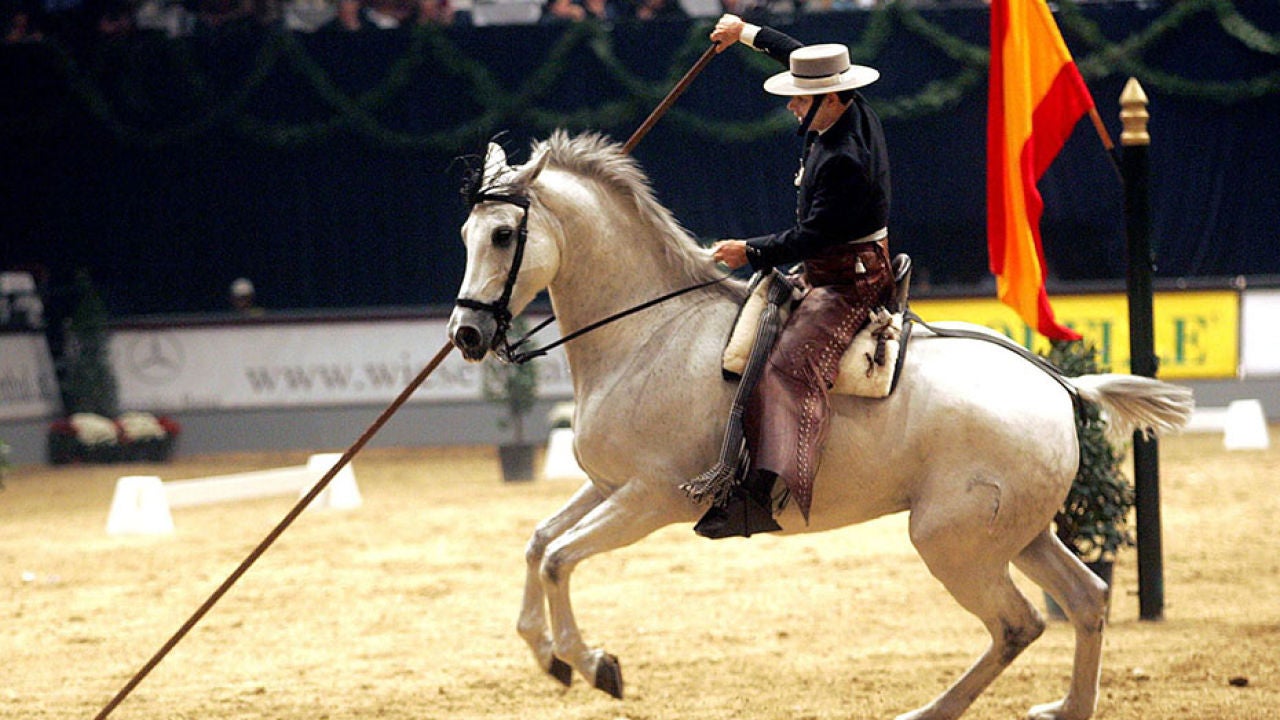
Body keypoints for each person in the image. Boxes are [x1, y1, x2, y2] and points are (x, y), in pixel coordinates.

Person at [694, 14, 894, 539]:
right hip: (830, 264)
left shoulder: (844, 158)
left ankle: (763, 495)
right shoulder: (847, 107)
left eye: (800, 99)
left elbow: (813, 236)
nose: (791, 105)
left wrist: (749, 251)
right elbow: (803, 57)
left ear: (830, 98)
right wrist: (745, 32)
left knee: (787, 370)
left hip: (848, 278)